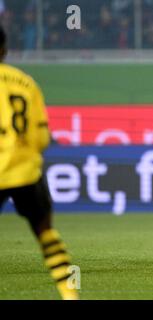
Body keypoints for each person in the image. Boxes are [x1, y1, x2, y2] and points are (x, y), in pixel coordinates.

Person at [0, 26, 78, 300]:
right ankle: (70, 294)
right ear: (5, 49)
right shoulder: (26, 83)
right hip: (24, 171)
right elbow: (42, 137)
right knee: (46, 233)